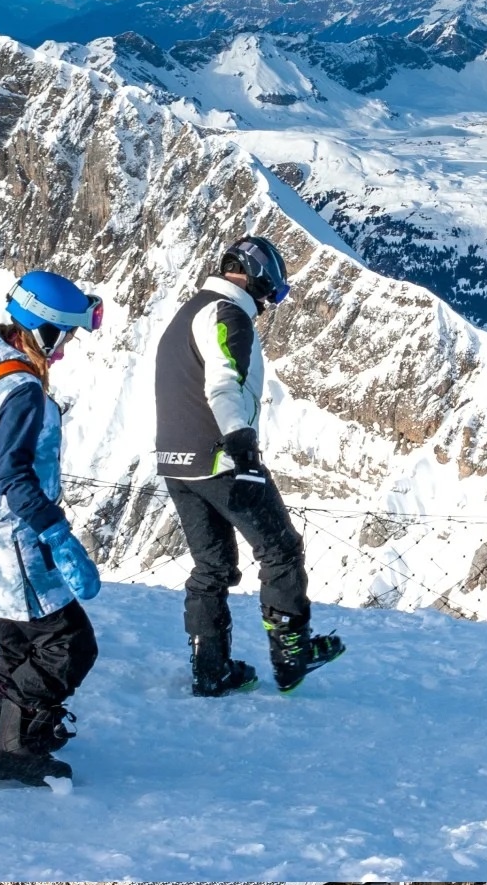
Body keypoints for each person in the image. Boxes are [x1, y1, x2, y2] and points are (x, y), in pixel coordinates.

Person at [156, 235, 344, 695]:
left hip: (175, 462)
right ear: (258, 276)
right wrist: (243, 447)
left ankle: (211, 669)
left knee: (212, 566)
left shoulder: (188, 311)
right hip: (221, 456)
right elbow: (224, 385)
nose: (268, 303)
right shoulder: (228, 313)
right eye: (272, 291)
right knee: (280, 549)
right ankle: (292, 656)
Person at [0, 271, 105, 786]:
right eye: (63, 339)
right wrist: (58, 535)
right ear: (45, 331)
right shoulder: (19, 388)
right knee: (70, 642)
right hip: (16, 545)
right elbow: (16, 474)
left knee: (15, 644)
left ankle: (13, 732)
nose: (62, 352)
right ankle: (16, 747)